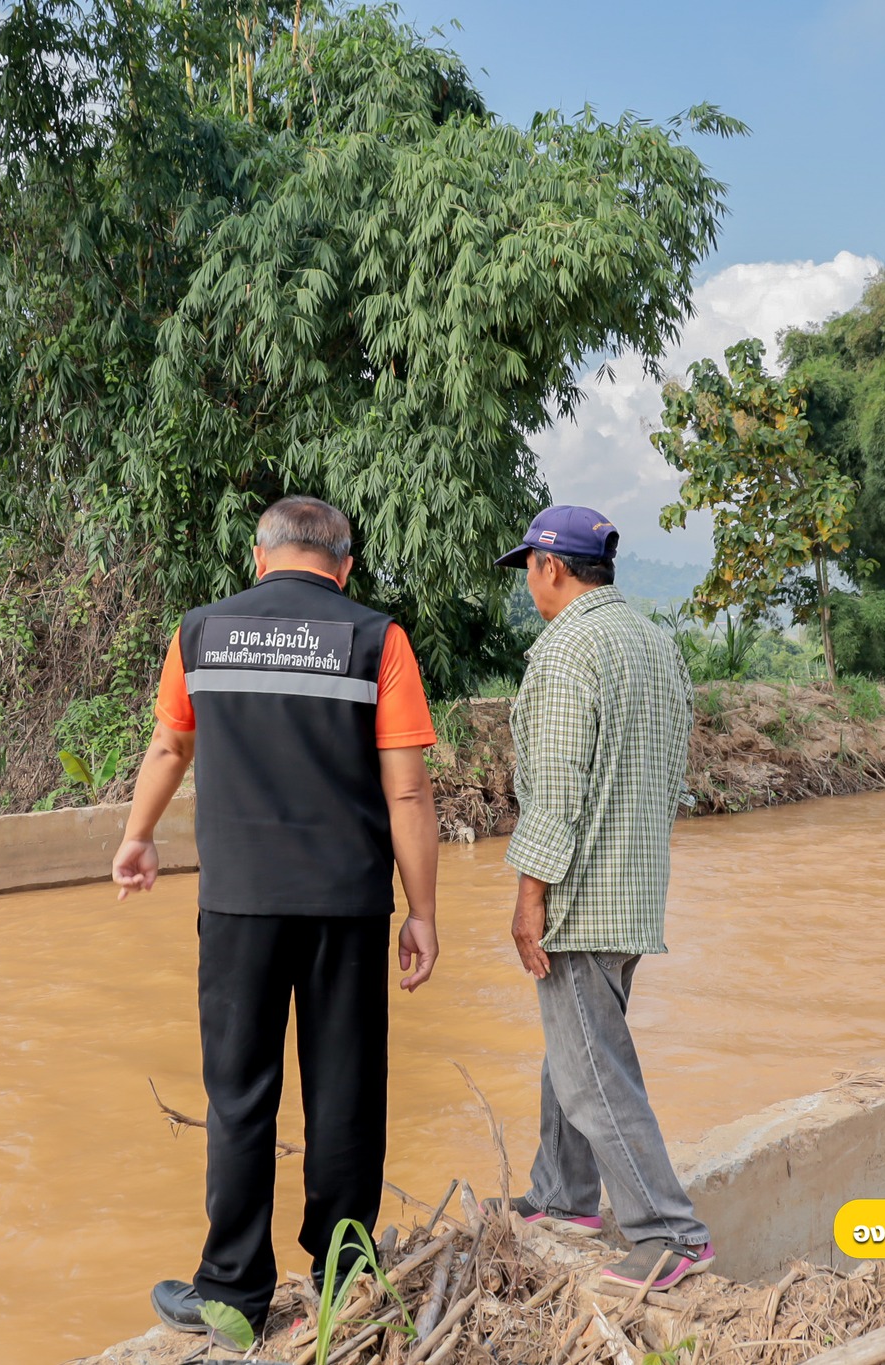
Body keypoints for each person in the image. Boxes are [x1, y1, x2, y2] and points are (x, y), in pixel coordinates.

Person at [112, 495, 442, 1347]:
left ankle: (232, 1291)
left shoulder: (200, 632)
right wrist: (423, 910)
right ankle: (343, 1274)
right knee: (345, 1092)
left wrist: (137, 837)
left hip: (238, 906)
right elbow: (406, 788)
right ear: (345, 565)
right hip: (348, 904)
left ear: (257, 558)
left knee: (240, 1095)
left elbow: (168, 748)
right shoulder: (378, 639)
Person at [491, 504, 715, 1292]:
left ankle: (669, 1233)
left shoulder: (566, 650)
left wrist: (530, 897)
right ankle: (562, 1196)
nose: (527, 581)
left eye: (529, 567)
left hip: (581, 894)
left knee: (592, 1070)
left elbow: (554, 791)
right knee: (576, 1048)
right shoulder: (654, 644)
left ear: (551, 567)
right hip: (633, 888)